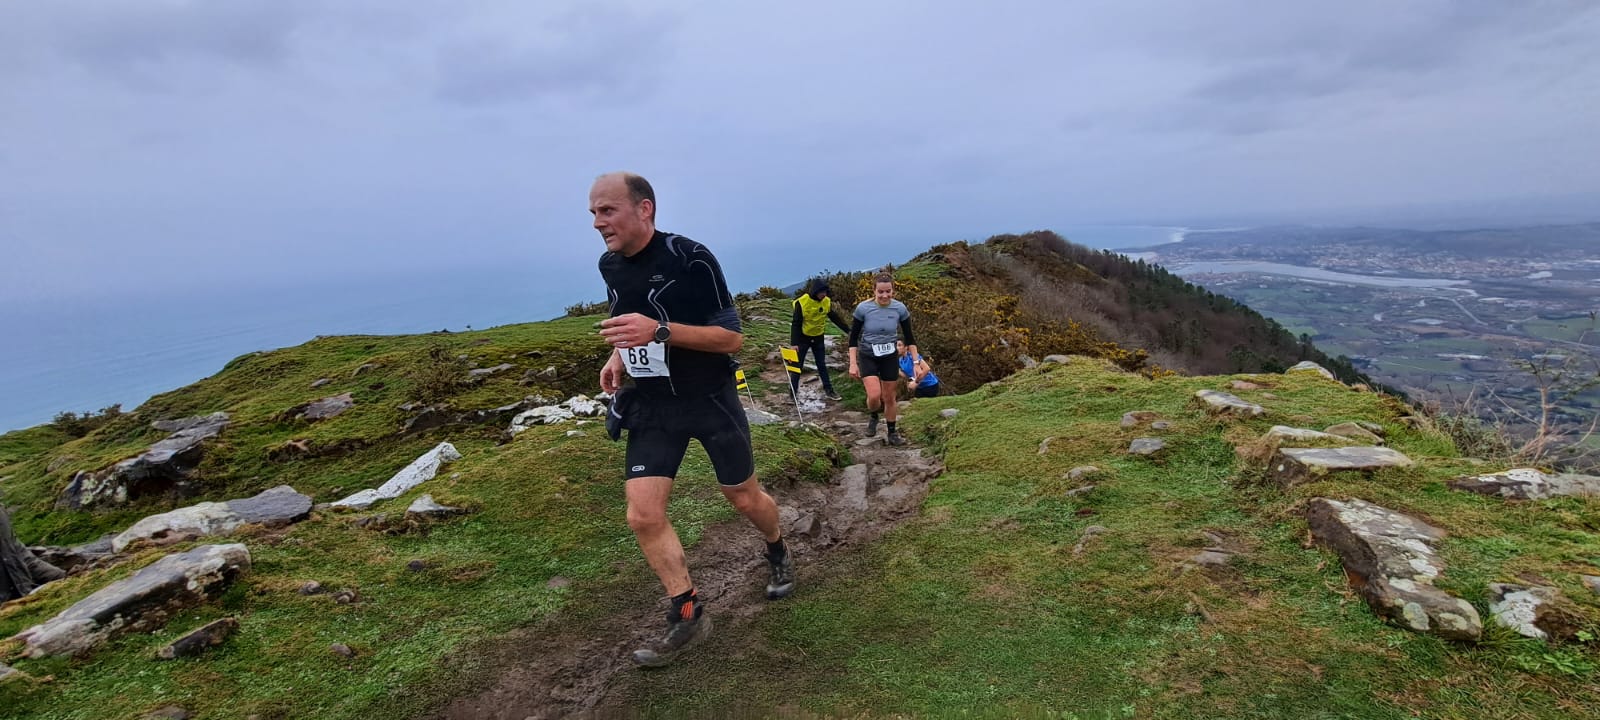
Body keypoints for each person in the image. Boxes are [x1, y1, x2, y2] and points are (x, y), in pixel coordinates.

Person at [591, 172, 794, 668]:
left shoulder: (691, 258)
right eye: (593, 213)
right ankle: (688, 611)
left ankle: (777, 548)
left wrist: (657, 331)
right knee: (642, 514)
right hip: (654, 404)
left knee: (742, 496)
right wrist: (620, 355)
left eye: (607, 210)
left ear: (645, 209)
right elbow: (629, 320)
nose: (598, 223)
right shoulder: (609, 265)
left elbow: (731, 340)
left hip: (710, 399)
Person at [848, 273, 919, 446]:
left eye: (888, 291)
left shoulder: (900, 309)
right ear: (874, 291)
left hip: (889, 356)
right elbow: (853, 338)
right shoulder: (863, 309)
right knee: (874, 396)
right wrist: (852, 363)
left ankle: (892, 433)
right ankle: (873, 415)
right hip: (868, 355)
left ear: (893, 290)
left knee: (889, 397)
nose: (885, 295)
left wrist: (916, 363)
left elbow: (910, 338)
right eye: (881, 292)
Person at [790, 278, 851, 401]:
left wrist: (848, 331)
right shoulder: (801, 303)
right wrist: (794, 343)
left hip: (818, 337)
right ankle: (792, 393)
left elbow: (835, 318)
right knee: (798, 366)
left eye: (825, 292)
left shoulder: (826, 302)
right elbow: (796, 323)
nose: (824, 295)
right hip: (803, 338)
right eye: (821, 292)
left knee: (821, 365)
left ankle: (829, 390)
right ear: (815, 291)